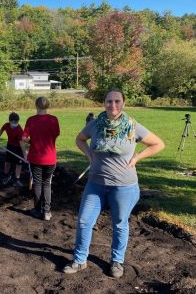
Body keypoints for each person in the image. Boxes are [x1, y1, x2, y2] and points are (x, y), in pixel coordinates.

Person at [63, 89, 164, 278]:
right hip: (96, 184)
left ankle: (117, 262)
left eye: (117, 101)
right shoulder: (95, 125)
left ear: (123, 103)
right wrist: (90, 155)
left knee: (119, 224)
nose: (113, 105)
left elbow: (158, 144)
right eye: (109, 101)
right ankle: (79, 260)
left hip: (124, 186)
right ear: (104, 103)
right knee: (84, 221)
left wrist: (137, 158)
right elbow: (79, 139)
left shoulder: (132, 126)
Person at [21, 97, 60, 221]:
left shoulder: (31, 120)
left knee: (37, 183)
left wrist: (32, 141)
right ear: (48, 105)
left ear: (36, 106)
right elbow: (56, 134)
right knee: (47, 183)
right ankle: (47, 212)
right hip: (50, 158)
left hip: (36, 158)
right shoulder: (54, 120)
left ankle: (37, 210)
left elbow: (24, 138)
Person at [0, 112, 25, 186]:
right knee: (7, 161)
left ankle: (17, 180)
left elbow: (21, 143)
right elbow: (1, 130)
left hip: (18, 148)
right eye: (14, 122)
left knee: (19, 163)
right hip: (10, 146)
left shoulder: (19, 130)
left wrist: (24, 154)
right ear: (10, 121)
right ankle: (6, 176)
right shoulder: (7, 125)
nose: (15, 123)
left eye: (17, 122)